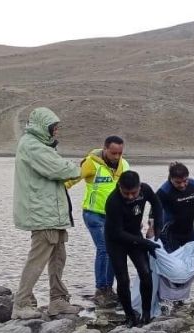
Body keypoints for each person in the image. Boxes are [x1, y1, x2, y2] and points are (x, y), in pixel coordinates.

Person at [12, 107, 82, 319]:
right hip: (42, 213)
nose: (56, 132)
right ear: (45, 127)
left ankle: (58, 300)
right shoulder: (33, 146)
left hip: (53, 212)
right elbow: (61, 170)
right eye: (54, 128)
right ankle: (21, 303)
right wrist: (80, 167)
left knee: (58, 256)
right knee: (38, 257)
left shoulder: (42, 146)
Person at [70, 135, 128, 307]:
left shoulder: (124, 165)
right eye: (113, 153)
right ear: (105, 149)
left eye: (119, 153)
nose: (117, 157)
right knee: (104, 248)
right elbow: (71, 179)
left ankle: (109, 288)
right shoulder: (91, 163)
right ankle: (100, 289)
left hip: (114, 216)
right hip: (93, 214)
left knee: (114, 250)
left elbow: (129, 191)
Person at [105, 170, 163, 327]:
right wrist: (146, 243)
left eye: (133, 193)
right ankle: (130, 316)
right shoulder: (113, 201)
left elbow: (157, 205)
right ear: (119, 187)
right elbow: (117, 233)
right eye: (126, 193)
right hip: (116, 240)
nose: (130, 196)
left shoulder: (145, 190)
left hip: (134, 236)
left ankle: (146, 313)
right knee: (123, 280)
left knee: (145, 273)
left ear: (139, 187)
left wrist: (158, 227)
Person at [156, 162, 194, 252]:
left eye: (185, 181)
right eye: (178, 182)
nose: (182, 185)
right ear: (171, 178)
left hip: (189, 231)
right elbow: (154, 211)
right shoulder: (164, 191)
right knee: (175, 263)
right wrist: (154, 229)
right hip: (170, 233)